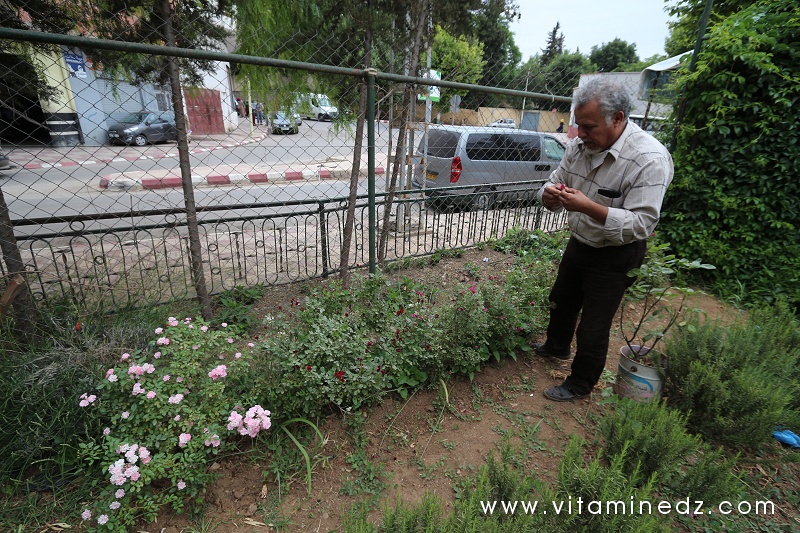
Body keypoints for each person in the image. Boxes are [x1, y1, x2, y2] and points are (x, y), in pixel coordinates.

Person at [533, 76, 674, 402]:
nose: (580, 135)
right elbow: (553, 181)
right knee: (562, 299)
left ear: (618, 119)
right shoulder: (579, 147)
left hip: (616, 253)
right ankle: (556, 347)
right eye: (578, 125)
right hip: (581, 240)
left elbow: (642, 223)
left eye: (589, 127)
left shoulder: (649, 159)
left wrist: (590, 207)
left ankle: (580, 384)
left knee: (594, 326)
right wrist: (549, 195)